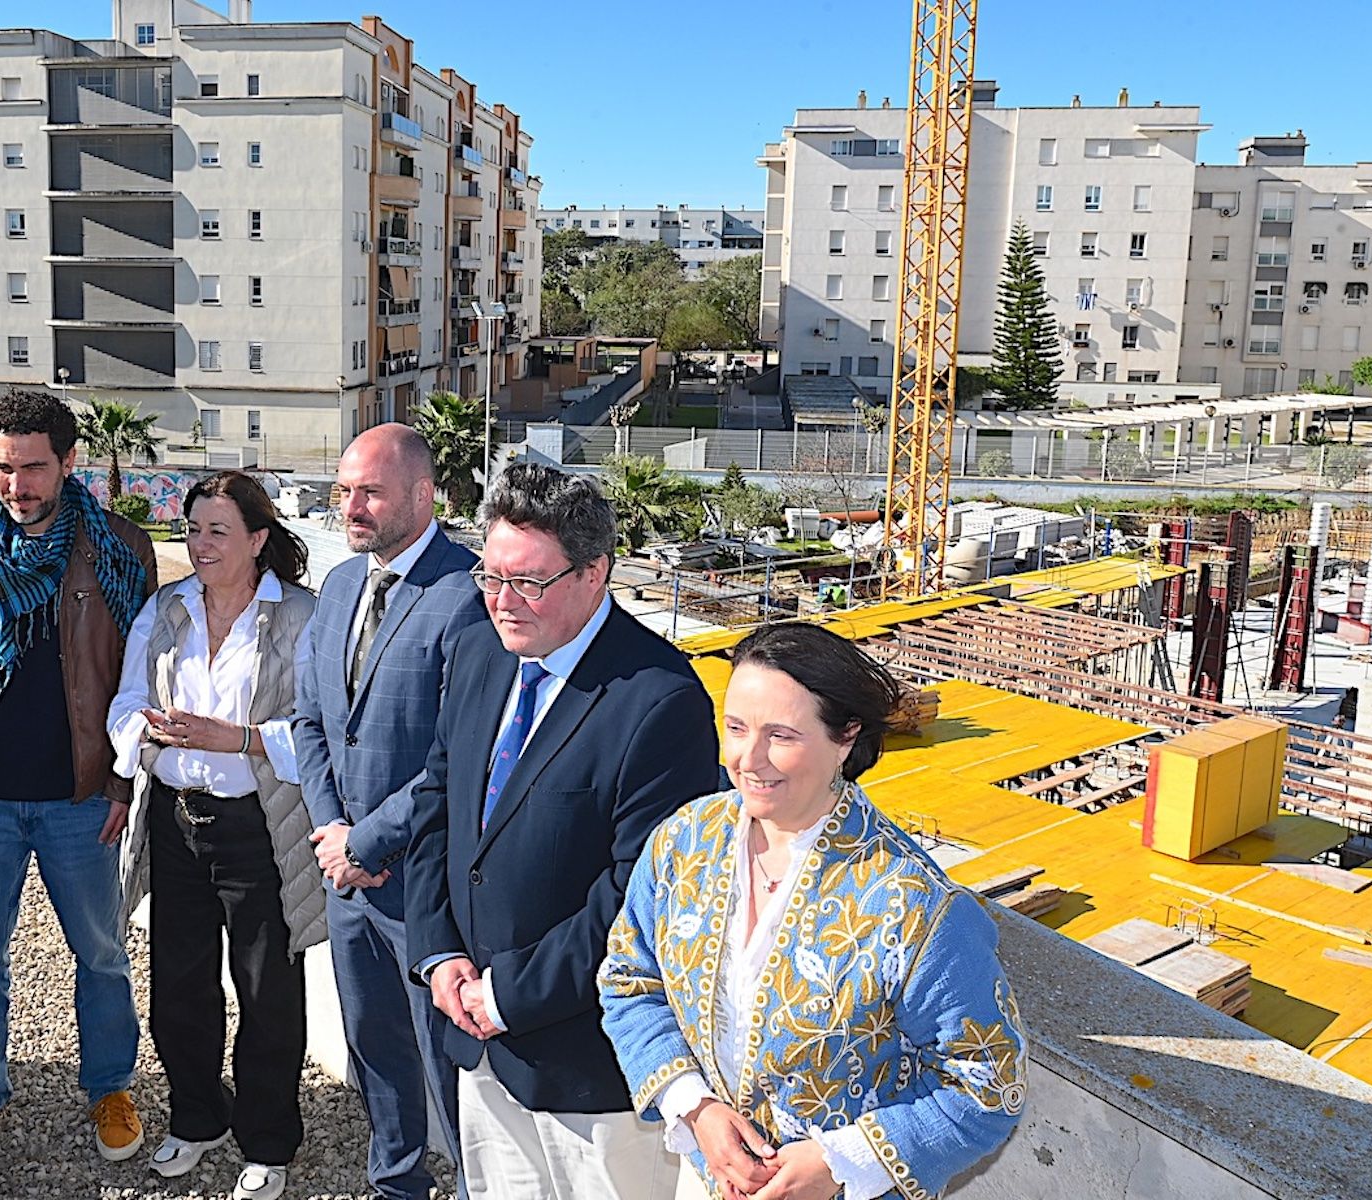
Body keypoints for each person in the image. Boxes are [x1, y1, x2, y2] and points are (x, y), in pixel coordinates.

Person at [599, 622, 1028, 1200]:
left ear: (846, 738)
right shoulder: (682, 842)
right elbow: (630, 981)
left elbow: (987, 1086)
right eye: (736, 728)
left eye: (781, 735)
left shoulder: (914, 905)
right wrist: (694, 1106)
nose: (748, 759)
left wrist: (840, 1161)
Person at [404, 463, 724, 1199]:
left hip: (591, 1073)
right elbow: (437, 808)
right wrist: (439, 953)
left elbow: (635, 899)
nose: (503, 602)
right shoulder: (481, 648)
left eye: (529, 583)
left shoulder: (661, 700)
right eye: (491, 575)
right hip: (475, 1041)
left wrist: (507, 995)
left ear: (594, 573)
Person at [0, 389, 157, 1174]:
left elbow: (141, 680)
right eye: (2, 468)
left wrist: (123, 783)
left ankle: (111, 1086)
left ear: (69, 462)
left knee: (102, 954)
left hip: (80, 797)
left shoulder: (119, 547)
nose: (15, 486)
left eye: (32, 468)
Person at [110, 470, 322, 1200]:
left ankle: (267, 1140)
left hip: (258, 829)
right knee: (179, 985)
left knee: (267, 990)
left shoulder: (301, 616)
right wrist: (142, 731)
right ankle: (197, 1120)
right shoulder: (165, 609)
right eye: (193, 529)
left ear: (258, 540)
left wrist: (241, 739)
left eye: (217, 532)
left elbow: (323, 730)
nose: (199, 545)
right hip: (176, 821)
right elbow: (126, 701)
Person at [292, 425, 486, 1200]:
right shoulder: (340, 586)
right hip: (348, 883)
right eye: (344, 491)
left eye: (368, 491)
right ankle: (396, 1181)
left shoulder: (471, 594)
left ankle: (474, 1186)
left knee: (449, 1066)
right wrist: (335, 834)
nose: (351, 507)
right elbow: (311, 721)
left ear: (422, 494)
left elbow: (456, 753)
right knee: (373, 1046)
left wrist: (368, 839)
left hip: (428, 890)